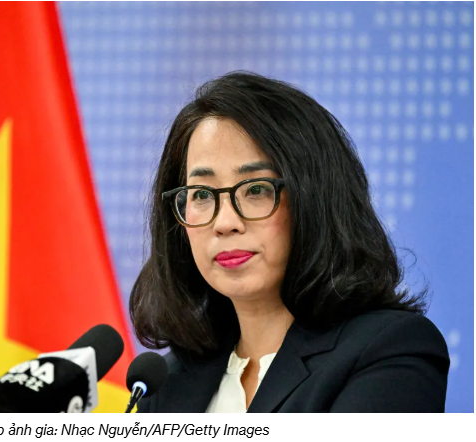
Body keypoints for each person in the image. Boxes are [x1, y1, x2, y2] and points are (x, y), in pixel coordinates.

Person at [129, 72, 449, 413]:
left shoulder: (389, 350)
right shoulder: (165, 383)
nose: (224, 223)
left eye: (256, 189)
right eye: (202, 194)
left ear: (315, 199)